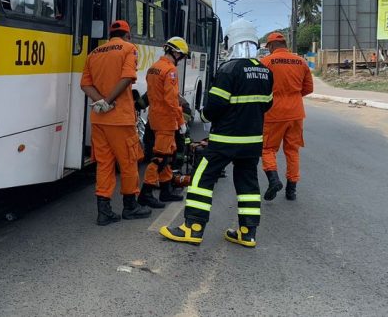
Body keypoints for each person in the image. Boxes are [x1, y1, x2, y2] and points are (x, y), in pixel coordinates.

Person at [160, 19, 273, 247]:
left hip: (225, 140)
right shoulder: (265, 71)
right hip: (252, 142)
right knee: (248, 184)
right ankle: (247, 233)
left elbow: (215, 107)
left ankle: (193, 228)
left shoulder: (229, 70)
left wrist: (201, 117)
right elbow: (267, 105)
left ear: (231, 40)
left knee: (202, 178)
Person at [80, 20, 151, 225]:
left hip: (99, 119)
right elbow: (128, 77)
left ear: (111, 35)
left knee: (104, 164)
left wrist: (100, 102)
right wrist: (109, 101)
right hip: (120, 119)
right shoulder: (129, 49)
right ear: (127, 35)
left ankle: (104, 211)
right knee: (129, 161)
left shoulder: (94, 53)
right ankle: (130, 206)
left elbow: (85, 84)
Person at [260, 32, 313, 201]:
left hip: (273, 112)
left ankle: (273, 179)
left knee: (268, 149)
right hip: (296, 113)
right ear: (284, 44)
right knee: (292, 150)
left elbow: (259, 88)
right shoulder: (301, 61)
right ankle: (292, 190)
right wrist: (293, 97)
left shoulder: (266, 62)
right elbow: (308, 88)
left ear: (272, 46)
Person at [138, 37, 189, 209]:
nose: (181, 60)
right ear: (175, 52)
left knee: (167, 153)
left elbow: (153, 96)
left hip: (154, 118)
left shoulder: (153, 68)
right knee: (160, 157)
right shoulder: (170, 70)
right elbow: (172, 100)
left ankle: (166, 190)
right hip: (166, 121)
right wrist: (181, 121)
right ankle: (146, 192)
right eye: (181, 56)